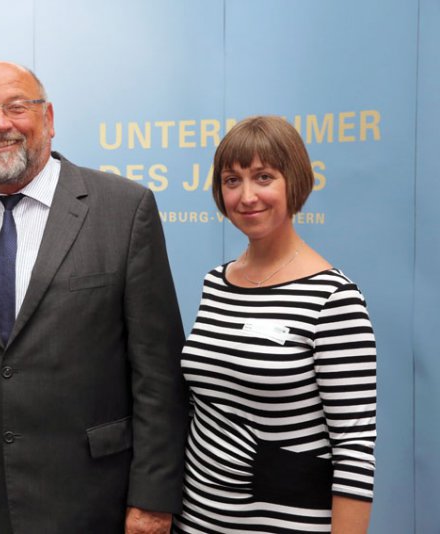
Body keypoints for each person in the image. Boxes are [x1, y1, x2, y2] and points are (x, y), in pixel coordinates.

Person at [0, 61, 188, 534]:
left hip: (93, 500)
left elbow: (158, 375)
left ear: (49, 118)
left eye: (16, 107)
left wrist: (153, 499)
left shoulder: (124, 210)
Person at [175, 116, 377, 533]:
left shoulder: (333, 299)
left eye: (263, 177)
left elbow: (354, 449)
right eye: (232, 180)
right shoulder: (216, 283)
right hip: (195, 518)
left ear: (294, 181)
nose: (247, 196)